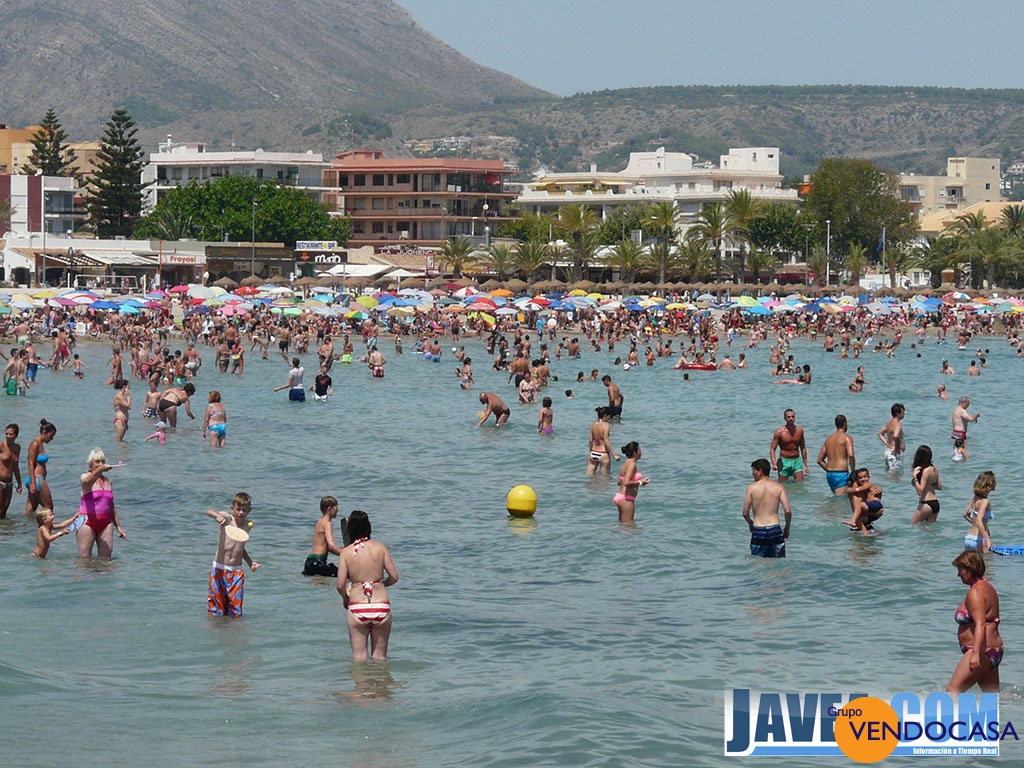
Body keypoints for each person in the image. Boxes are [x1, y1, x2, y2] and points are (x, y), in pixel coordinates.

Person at [336, 510, 398, 660]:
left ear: (349, 529)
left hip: (358, 606)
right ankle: (383, 682)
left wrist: (346, 597)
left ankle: (363, 683)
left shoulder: (347, 552)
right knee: (380, 658)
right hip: (380, 605)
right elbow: (394, 577)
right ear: (368, 527)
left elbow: (340, 585)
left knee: (359, 659)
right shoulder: (380, 548)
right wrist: (379, 584)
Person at [947, 550, 1002, 694]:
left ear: (970, 570)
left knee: (952, 692)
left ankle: (946, 717)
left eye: (960, 570)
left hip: (981, 651)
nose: (958, 574)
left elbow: (980, 624)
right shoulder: (988, 588)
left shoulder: (976, 593)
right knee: (991, 699)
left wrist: (975, 654)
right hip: (992, 650)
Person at [206, 492, 260, 617]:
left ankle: (234, 634)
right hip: (219, 568)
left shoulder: (248, 525)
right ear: (232, 509)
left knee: (236, 611)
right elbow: (209, 511)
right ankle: (217, 633)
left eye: (244, 510)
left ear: (249, 511)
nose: (241, 512)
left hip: (236, 571)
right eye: (238, 509)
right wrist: (217, 516)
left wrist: (250, 563)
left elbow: (240, 548)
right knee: (216, 609)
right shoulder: (227, 519)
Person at [76, 448, 127, 557]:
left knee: (106, 561)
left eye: (102, 461)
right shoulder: (85, 477)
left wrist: (118, 526)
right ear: (91, 464)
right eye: (97, 462)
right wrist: (100, 470)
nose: (100, 464)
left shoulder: (108, 481)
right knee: (84, 560)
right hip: (87, 522)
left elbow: (111, 505)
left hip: (105, 523)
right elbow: (86, 482)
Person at [742, 458, 792, 558]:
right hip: (775, 529)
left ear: (760, 471)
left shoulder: (751, 488)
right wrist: (787, 528)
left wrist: (751, 523)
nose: (753, 474)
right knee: (778, 565)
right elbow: (788, 511)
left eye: (754, 471)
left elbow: (745, 513)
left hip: (759, 530)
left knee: (759, 564)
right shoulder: (779, 487)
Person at [303, 495, 342, 577]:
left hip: (309, 561)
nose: (337, 510)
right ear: (329, 509)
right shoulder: (328, 524)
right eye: (336, 507)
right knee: (343, 576)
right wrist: (345, 553)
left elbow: (326, 547)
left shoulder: (319, 523)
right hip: (318, 562)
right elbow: (331, 546)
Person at [816, 414, 855, 495]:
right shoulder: (847, 438)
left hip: (830, 474)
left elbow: (819, 460)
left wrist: (828, 469)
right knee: (841, 502)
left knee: (836, 500)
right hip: (841, 473)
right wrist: (853, 472)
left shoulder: (829, 439)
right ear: (845, 423)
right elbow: (851, 455)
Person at [24, 419, 56, 516]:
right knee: (49, 508)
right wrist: (33, 483)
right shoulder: (35, 444)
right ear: (44, 432)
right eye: (51, 436)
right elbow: (30, 463)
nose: (51, 439)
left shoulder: (40, 444)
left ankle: (26, 530)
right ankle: (47, 529)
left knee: (30, 510)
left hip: (35, 479)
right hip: (37, 479)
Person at [769, 408, 809, 482]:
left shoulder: (800, 430)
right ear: (785, 418)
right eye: (788, 417)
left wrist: (805, 465)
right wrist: (774, 463)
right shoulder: (779, 432)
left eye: (792, 416)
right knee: (783, 486)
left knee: (800, 486)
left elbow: (803, 448)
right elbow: (772, 449)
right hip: (784, 461)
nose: (791, 419)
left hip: (797, 461)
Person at [840, 467, 884, 533]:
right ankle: (866, 534)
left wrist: (849, 490)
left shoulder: (861, 489)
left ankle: (855, 523)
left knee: (860, 507)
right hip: (864, 520)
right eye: (860, 478)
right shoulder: (855, 492)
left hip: (868, 513)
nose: (862, 480)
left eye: (865, 477)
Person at [614, 441, 649, 523]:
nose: (641, 452)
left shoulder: (626, 463)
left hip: (621, 497)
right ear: (635, 452)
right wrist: (640, 482)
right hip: (626, 499)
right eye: (639, 450)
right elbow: (626, 482)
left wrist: (637, 482)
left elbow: (620, 481)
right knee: (628, 527)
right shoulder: (632, 464)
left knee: (623, 526)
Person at [963, 471, 997, 552]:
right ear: (990, 484)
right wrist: (987, 539)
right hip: (979, 540)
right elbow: (979, 520)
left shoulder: (975, 498)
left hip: (969, 538)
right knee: (988, 563)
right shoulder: (985, 501)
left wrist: (978, 525)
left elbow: (965, 515)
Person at [911, 445, 942, 523]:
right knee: (930, 532)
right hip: (935, 503)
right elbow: (939, 486)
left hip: (926, 503)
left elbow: (920, 491)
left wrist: (915, 477)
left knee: (913, 525)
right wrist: (929, 484)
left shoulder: (925, 471)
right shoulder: (934, 468)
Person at [586, 406, 619, 475]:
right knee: (604, 479)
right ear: (605, 415)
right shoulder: (606, 426)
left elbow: (590, 441)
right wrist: (614, 455)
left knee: (589, 477)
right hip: (603, 453)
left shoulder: (593, 425)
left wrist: (590, 453)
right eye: (609, 416)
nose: (609, 418)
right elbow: (606, 442)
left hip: (593, 452)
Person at [0, 423, 22, 519]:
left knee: (5, 509)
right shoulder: (1, 445)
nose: (8, 436)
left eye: (11, 434)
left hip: (9, 483)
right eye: (6, 434)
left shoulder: (17, 448)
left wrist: (19, 483)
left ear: (16, 435)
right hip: (0, 481)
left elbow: (15, 467)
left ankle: (4, 532)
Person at [877, 403, 906, 472]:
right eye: (903, 412)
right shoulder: (898, 424)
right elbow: (896, 436)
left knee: (889, 473)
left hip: (888, 451)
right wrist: (896, 449)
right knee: (895, 475)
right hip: (894, 453)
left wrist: (887, 443)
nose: (904, 414)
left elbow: (880, 433)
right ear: (898, 413)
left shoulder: (889, 423)